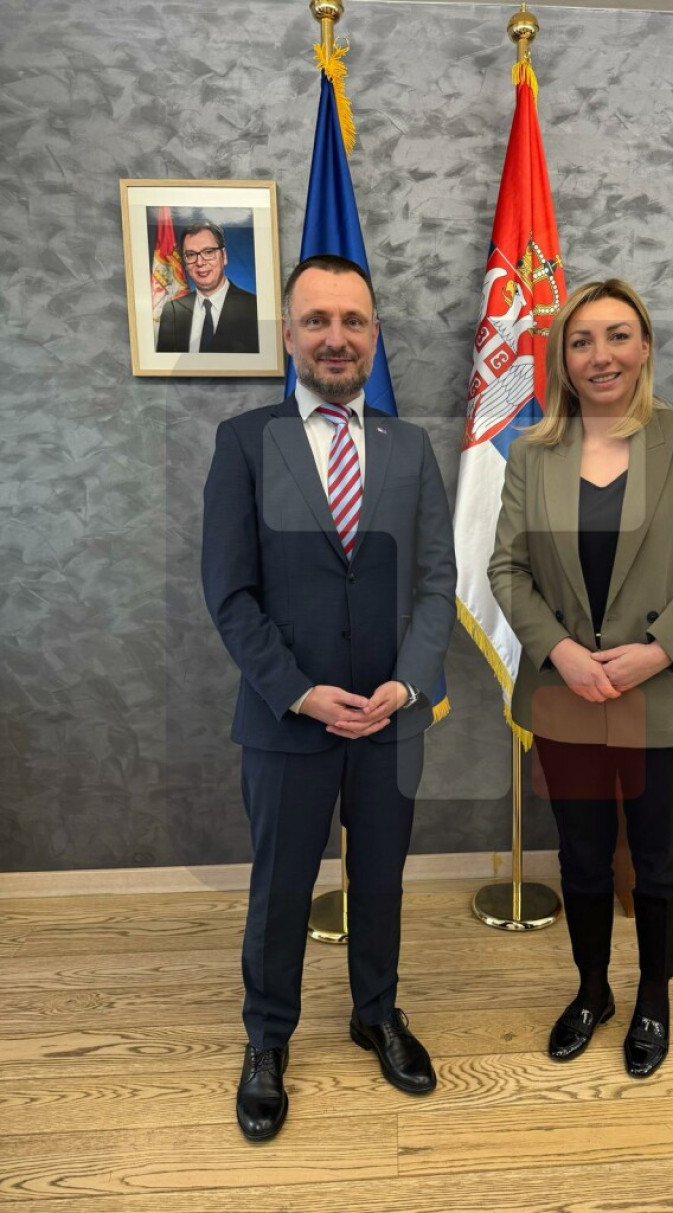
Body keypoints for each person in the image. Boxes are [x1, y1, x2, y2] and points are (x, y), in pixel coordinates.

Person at [202, 254, 456, 1140]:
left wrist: (408, 682)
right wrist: (302, 692)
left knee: (380, 877)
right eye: (317, 320)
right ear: (289, 334)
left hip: (390, 718)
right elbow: (230, 593)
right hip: (287, 720)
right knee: (281, 887)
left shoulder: (410, 447)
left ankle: (376, 1013)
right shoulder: (244, 442)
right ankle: (267, 1039)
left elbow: (436, 582)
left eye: (353, 320)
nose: (336, 337)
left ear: (375, 335)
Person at [488, 279, 673, 1079]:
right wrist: (559, 650)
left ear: (646, 346)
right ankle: (592, 989)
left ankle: (653, 994)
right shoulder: (533, 451)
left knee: (660, 858)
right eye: (582, 339)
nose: (601, 355)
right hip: (568, 689)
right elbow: (508, 568)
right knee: (583, 857)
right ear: (562, 357)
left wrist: (656, 651)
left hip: (660, 689)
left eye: (618, 335)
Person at [157, 221, 259, 353]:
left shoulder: (254, 308)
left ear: (224, 256)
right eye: (191, 255)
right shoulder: (172, 312)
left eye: (208, 252)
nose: (200, 262)